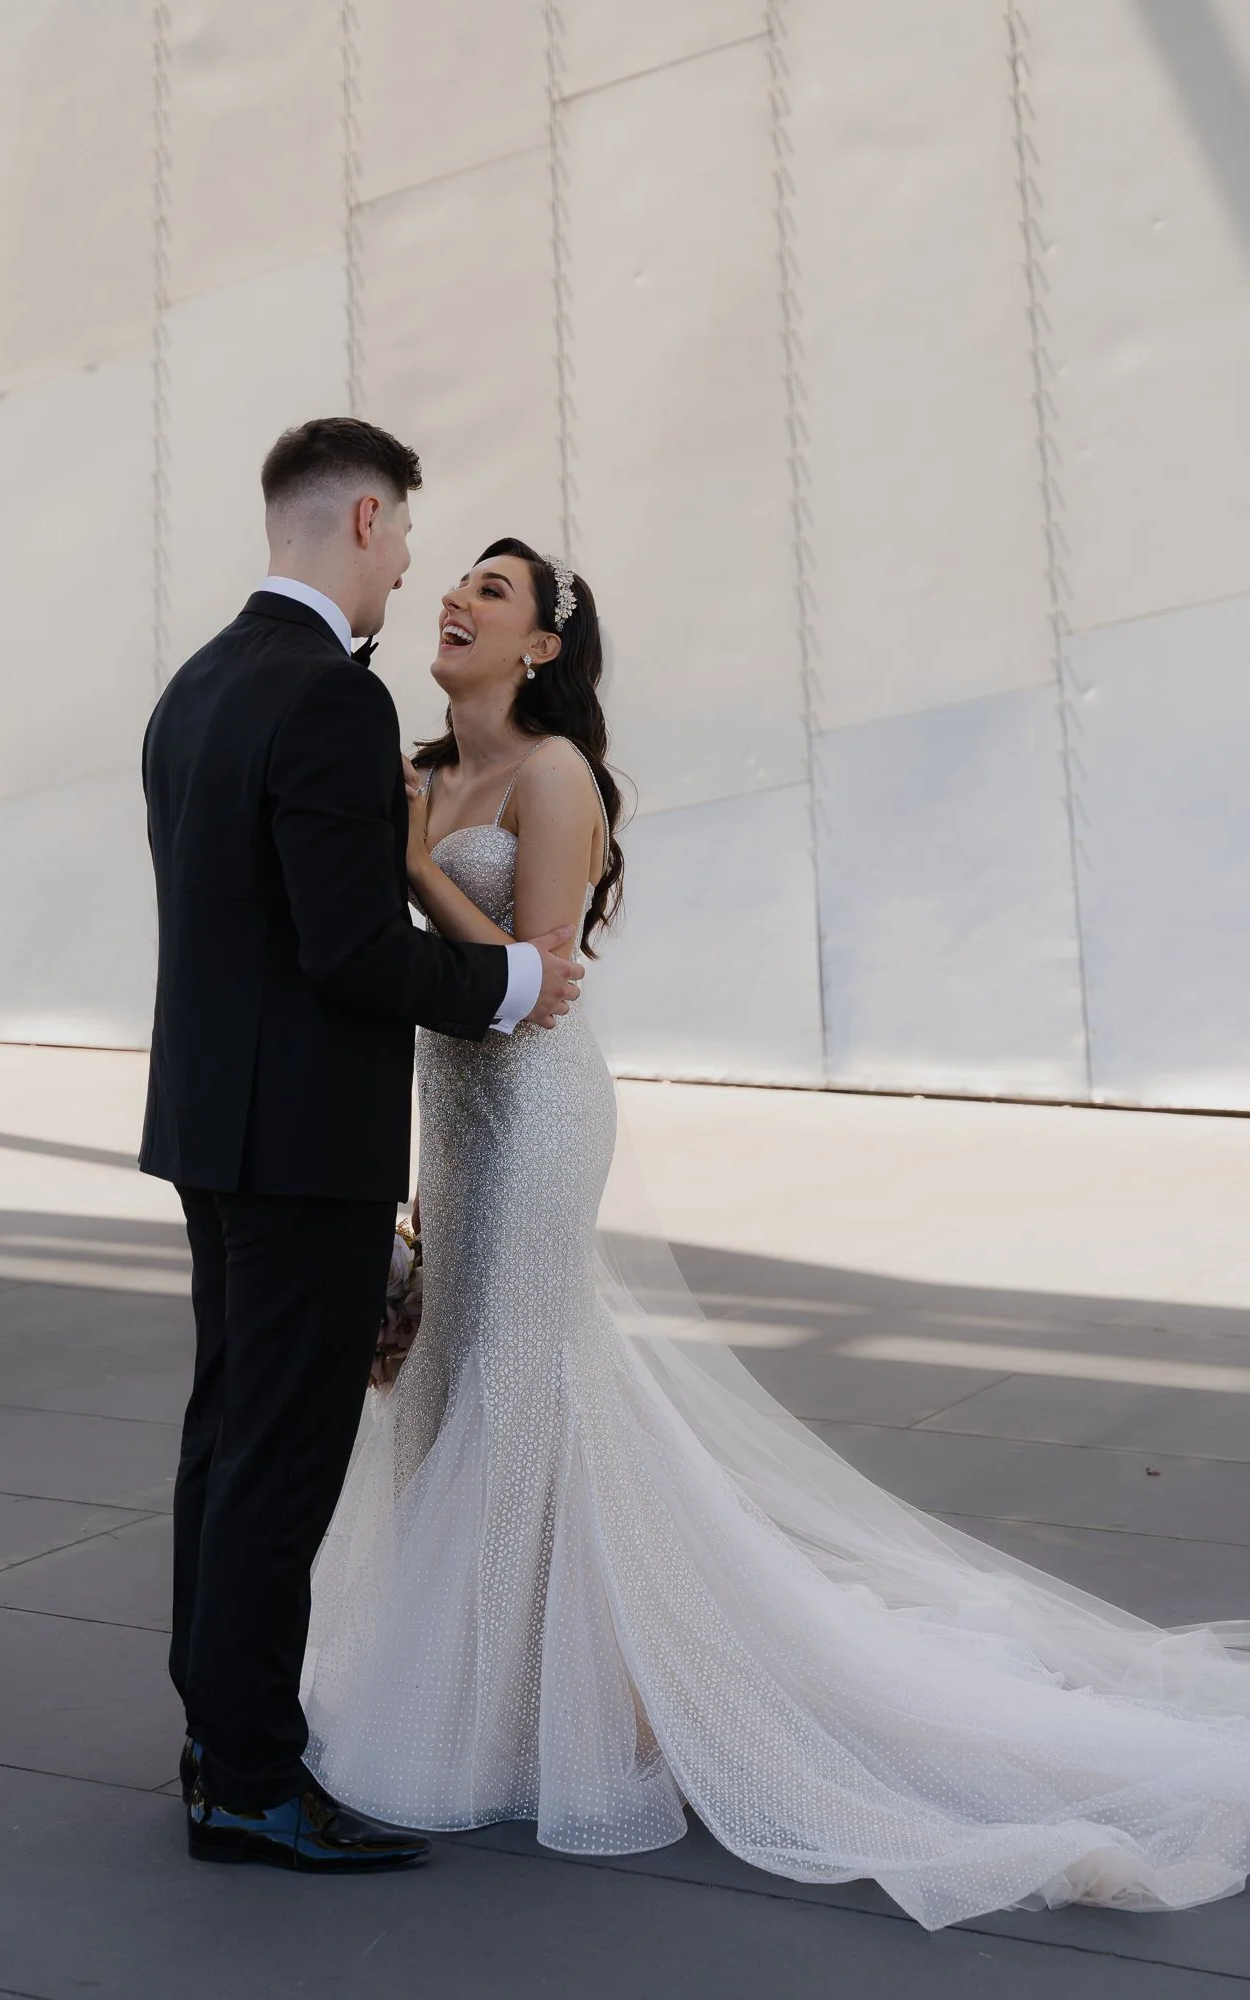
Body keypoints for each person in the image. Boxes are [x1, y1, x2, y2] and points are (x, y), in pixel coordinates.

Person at [304, 537, 1250, 1932]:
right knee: (449, 1388)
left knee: (521, 1385)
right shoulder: (424, 775)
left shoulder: (554, 779)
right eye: (457, 586)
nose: (456, 601)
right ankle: (512, 1688)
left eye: (491, 594)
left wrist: (409, 867)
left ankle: (523, 1716)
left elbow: (539, 987)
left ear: (543, 648)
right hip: (449, 1118)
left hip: (541, 1112)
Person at [139, 421, 585, 1873]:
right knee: (282, 1454)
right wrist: (507, 985)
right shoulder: (330, 699)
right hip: (307, 1141)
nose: (416, 572)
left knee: (228, 1436)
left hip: (215, 1124)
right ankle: (257, 1778)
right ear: (368, 520)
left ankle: (219, 1734)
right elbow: (340, 948)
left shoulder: (196, 686)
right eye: (411, 540)